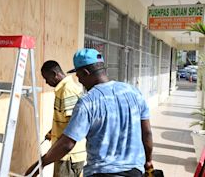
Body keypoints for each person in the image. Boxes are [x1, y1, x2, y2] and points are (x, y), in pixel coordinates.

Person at [26, 48, 153, 177]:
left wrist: (41, 163)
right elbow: (147, 132)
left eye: (79, 75)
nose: (79, 80)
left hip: (101, 172)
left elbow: (67, 144)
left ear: (85, 72)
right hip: (135, 172)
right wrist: (148, 161)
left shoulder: (88, 102)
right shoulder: (134, 92)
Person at [40, 60, 86, 177]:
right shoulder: (64, 89)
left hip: (68, 155)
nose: (46, 82)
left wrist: (47, 158)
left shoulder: (67, 90)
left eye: (47, 78)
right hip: (64, 153)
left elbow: (74, 126)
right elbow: (67, 121)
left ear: (54, 74)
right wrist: (53, 133)